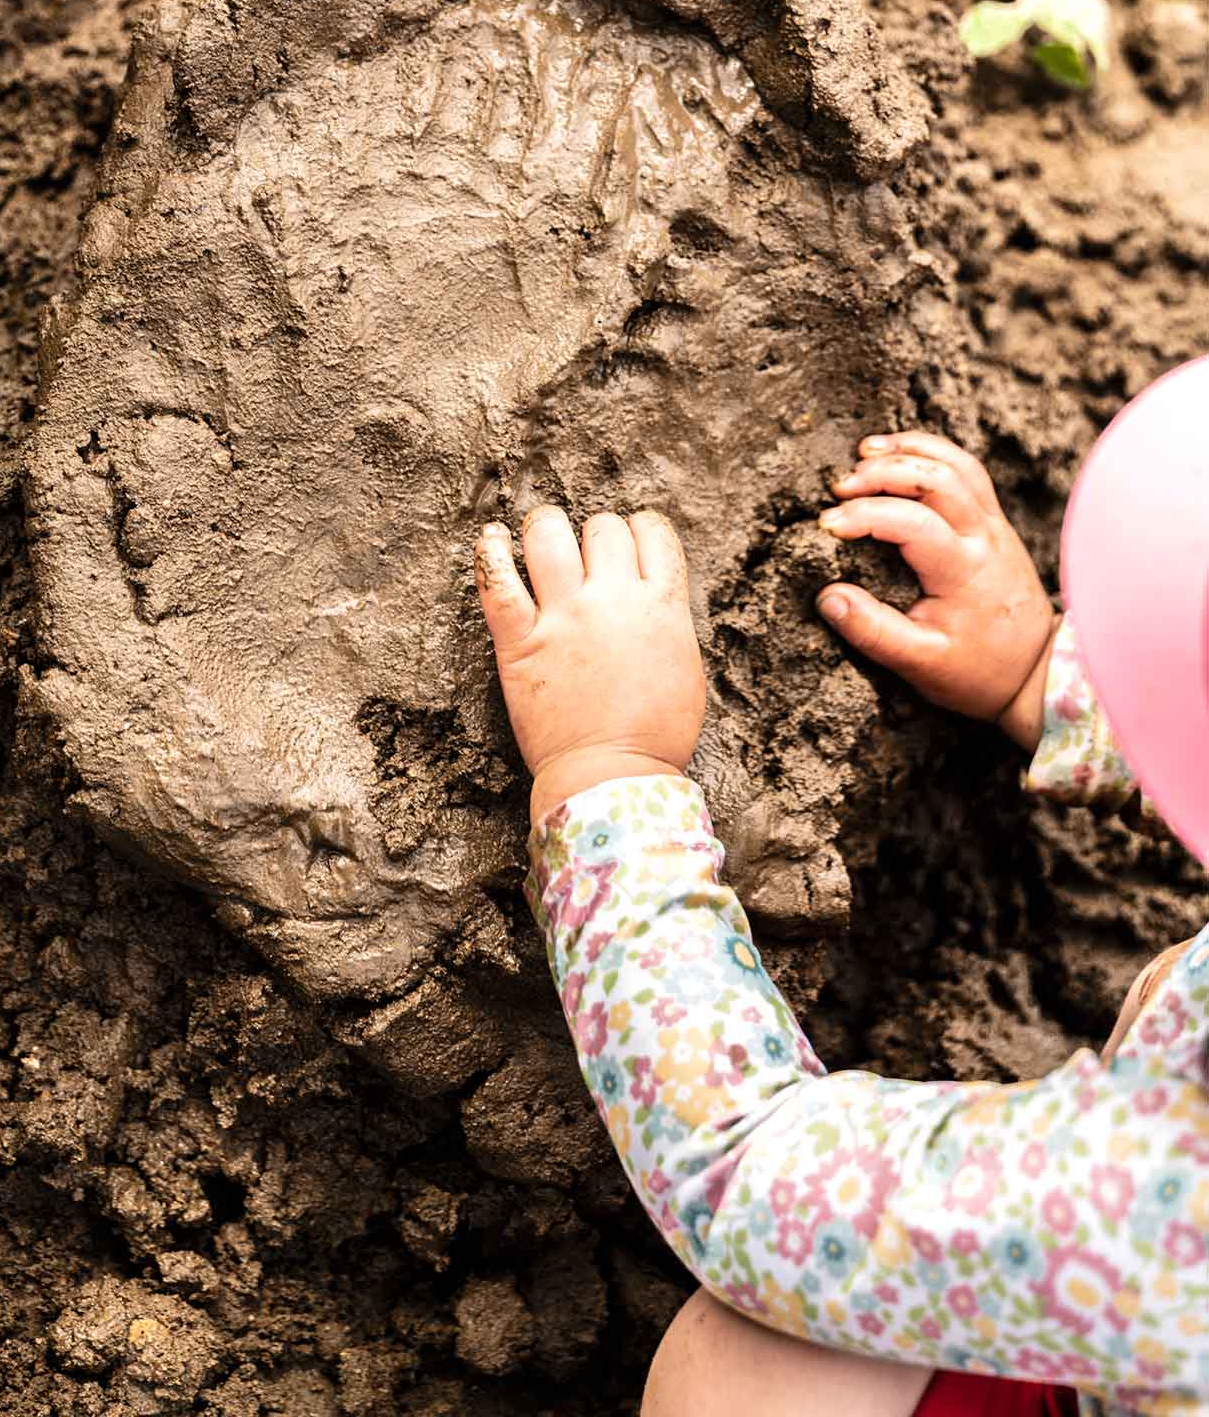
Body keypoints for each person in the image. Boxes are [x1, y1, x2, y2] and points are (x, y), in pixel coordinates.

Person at [472, 422, 1209, 1417]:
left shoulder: (1168, 1204)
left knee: (747, 1377)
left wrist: (608, 769)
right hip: (1144, 1320)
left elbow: (750, 1177)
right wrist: (1047, 676)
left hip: (1145, 1280)